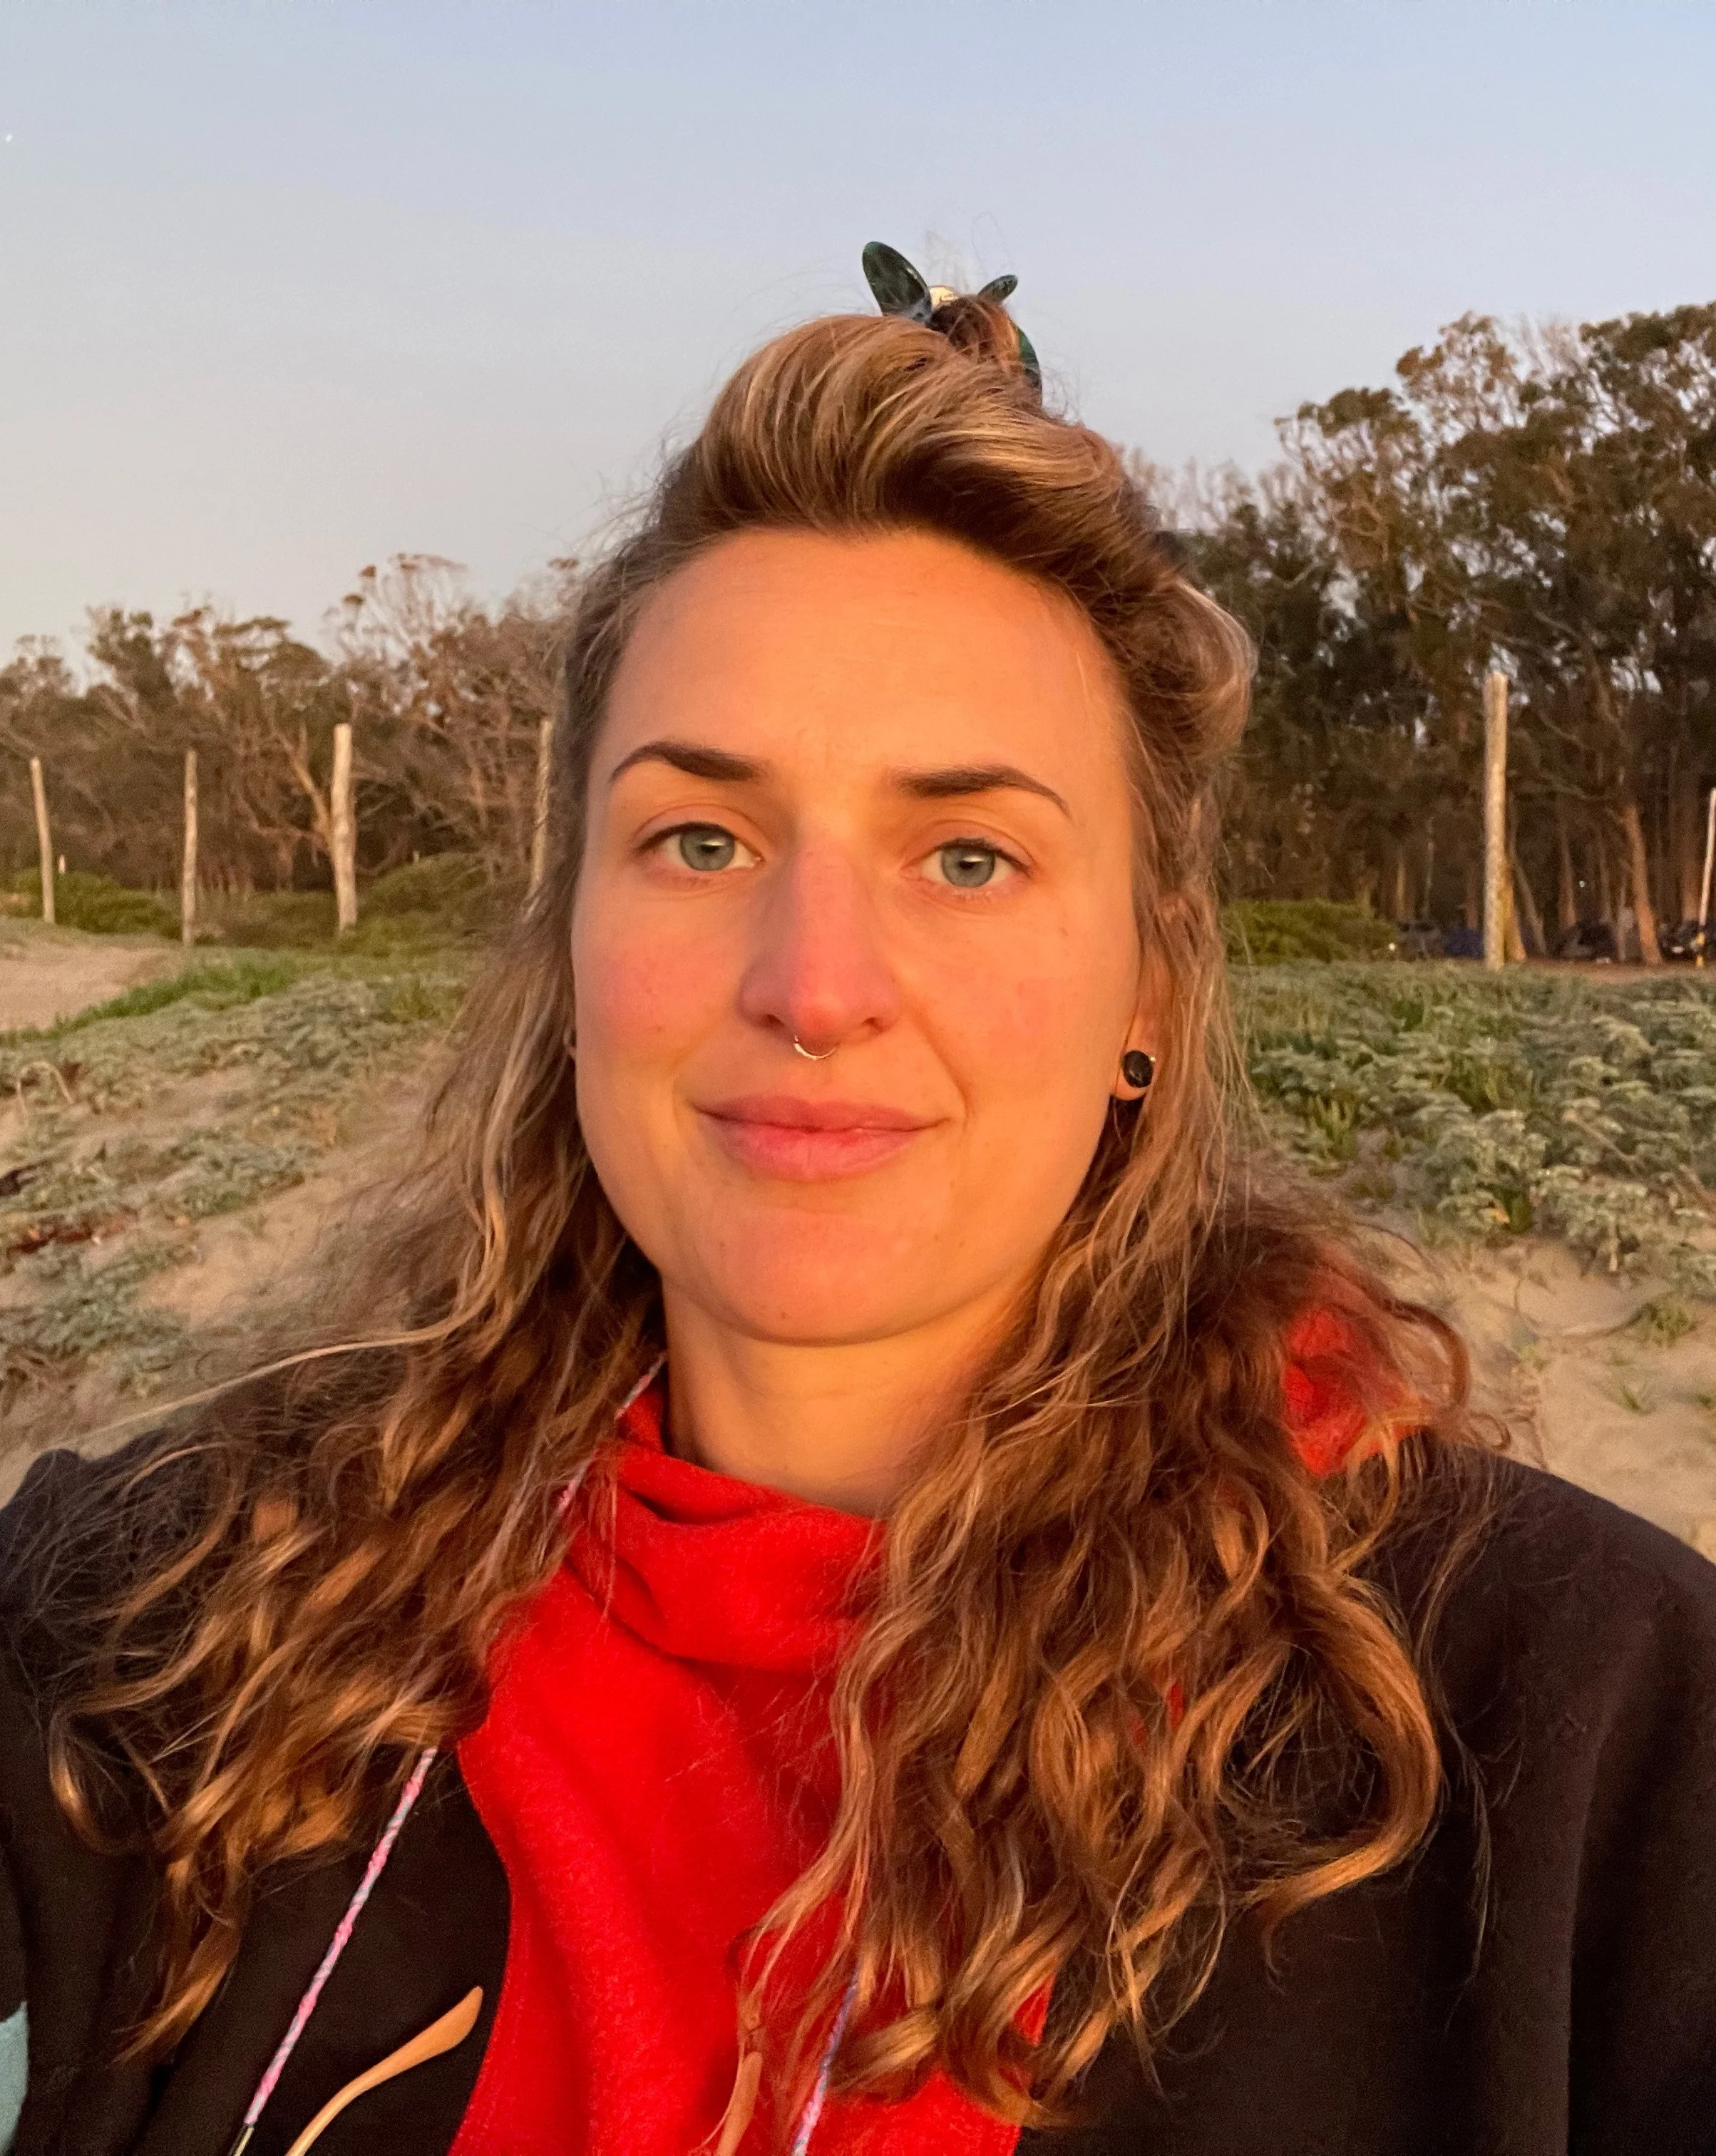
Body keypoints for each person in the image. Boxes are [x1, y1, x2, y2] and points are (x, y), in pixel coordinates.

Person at [2, 258, 1714, 2156]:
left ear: (1145, 990)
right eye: (700, 838)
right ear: (573, 938)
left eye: (967, 856)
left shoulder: (1582, 1742)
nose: (814, 984)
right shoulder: (162, 1619)